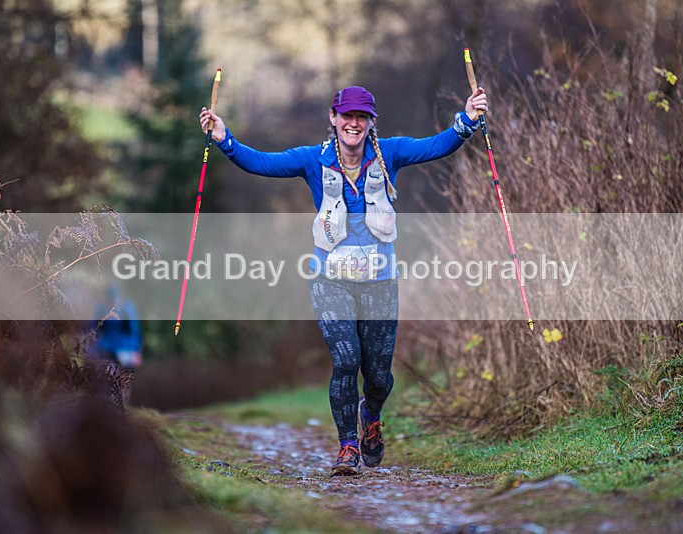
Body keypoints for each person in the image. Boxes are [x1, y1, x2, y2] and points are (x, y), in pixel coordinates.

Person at [200, 83, 488, 476]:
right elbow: (260, 163)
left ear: (371, 123)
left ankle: (371, 415)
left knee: (380, 376)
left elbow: (438, 145)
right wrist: (224, 139)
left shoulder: (392, 152)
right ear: (333, 119)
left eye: (361, 117)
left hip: (380, 282)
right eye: (347, 116)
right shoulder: (311, 160)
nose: (353, 123)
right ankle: (348, 447)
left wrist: (468, 119)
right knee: (346, 360)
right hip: (329, 280)